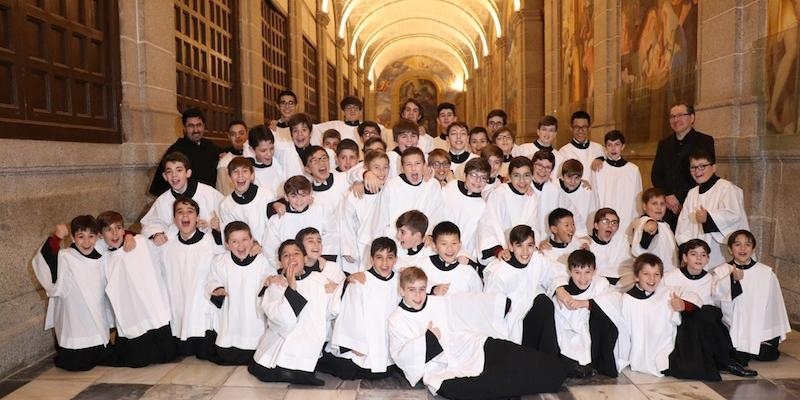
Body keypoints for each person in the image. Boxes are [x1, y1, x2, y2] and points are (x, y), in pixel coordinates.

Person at [389, 267, 570, 399]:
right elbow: (402, 356)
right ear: (401, 290)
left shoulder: (436, 301)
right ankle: (551, 375)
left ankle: (562, 368)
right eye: (412, 290)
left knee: (510, 351)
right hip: (440, 369)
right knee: (484, 386)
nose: (419, 296)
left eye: (422, 289)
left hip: (467, 347)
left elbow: (466, 303)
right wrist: (428, 340)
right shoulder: (397, 319)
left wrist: (498, 304)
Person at [662, 239, 758, 378]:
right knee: (703, 315)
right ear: (684, 257)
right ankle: (725, 362)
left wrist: (733, 280)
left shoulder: (712, 280)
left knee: (709, 313)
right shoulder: (670, 277)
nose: (699, 258)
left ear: (708, 259)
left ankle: (725, 361)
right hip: (679, 324)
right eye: (694, 254)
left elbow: (722, 301)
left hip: (704, 326)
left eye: (703, 255)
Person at [32, 216, 116, 371]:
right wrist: (56, 237)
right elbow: (47, 260)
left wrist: (130, 236)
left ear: (97, 237)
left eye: (91, 236)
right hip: (73, 310)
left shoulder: (100, 251)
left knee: (102, 350)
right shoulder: (66, 256)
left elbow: (117, 239)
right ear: (72, 237)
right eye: (80, 237)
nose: (86, 242)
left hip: (96, 309)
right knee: (77, 363)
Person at [249, 239, 336, 385]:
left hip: (312, 342)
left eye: (296, 254)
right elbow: (284, 319)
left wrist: (345, 284)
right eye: (286, 255)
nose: (292, 258)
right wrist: (292, 287)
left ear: (304, 257)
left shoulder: (319, 279)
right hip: (280, 349)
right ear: (280, 262)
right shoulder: (275, 285)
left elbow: (334, 307)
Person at [98, 210, 177, 367]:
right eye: (109, 230)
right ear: (101, 235)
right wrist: (127, 234)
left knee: (166, 356)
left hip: (151, 310)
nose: (115, 233)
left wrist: (130, 235)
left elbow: (158, 234)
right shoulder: (104, 258)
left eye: (119, 228)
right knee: (137, 361)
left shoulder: (139, 242)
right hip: (130, 315)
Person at [319, 237, 401, 380]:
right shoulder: (360, 281)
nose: (385, 263)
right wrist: (355, 344)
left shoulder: (400, 281)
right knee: (348, 372)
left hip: (389, 345)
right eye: (379, 257)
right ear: (371, 259)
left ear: (396, 259)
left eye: (389, 257)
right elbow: (351, 314)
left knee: (387, 371)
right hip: (363, 347)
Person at [482, 225, 568, 350]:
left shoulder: (536, 259)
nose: (525, 251)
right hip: (511, 323)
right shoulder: (499, 271)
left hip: (529, 314)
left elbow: (554, 273)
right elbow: (492, 307)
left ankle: (550, 359)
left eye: (529, 245)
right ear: (510, 246)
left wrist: (559, 288)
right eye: (519, 245)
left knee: (544, 303)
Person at [159, 197, 225, 359]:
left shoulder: (209, 241)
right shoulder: (167, 246)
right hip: (179, 314)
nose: (185, 216)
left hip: (203, 314)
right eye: (180, 212)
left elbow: (225, 253)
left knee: (206, 354)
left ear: (197, 217)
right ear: (174, 219)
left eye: (190, 212)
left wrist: (217, 230)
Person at [712, 230, 791, 363]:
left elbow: (774, 308)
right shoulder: (721, 271)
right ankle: (740, 350)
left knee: (771, 354)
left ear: (753, 249)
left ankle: (742, 350)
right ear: (730, 249)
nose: (743, 248)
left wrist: (766, 335)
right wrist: (731, 279)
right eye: (737, 244)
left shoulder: (766, 274)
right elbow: (716, 300)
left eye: (747, 245)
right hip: (731, 329)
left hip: (758, 332)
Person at [206, 221, 275, 365]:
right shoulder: (220, 262)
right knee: (227, 353)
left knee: (259, 350)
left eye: (244, 240)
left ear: (252, 240)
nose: (241, 245)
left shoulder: (262, 260)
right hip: (233, 311)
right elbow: (212, 279)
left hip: (254, 312)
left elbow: (270, 277)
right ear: (227, 244)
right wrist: (217, 288)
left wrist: (269, 281)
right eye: (235, 241)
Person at [553, 249, 624, 378]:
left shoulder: (600, 284)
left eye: (587, 272)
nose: (583, 278)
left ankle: (599, 362)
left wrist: (586, 303)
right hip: (569, 332)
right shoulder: (564, 290)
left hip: (593, 331)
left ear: (594, 271)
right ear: (569, 271)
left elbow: (613, 302)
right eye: (577, 273)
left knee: (604, 316)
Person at [675, 149, 749, 267]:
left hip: (720, 254)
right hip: (697, 258)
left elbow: (735, 216)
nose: (697, 171)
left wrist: (708, 218)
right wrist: (687, 249)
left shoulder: (727, 188)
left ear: (714, 167)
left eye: (702, 166)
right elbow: (683, 225)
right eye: (693, 167)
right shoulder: (692, 193)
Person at [651, 102, 715, 230]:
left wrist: (679, 197)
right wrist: (667, 196)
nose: (676, 120)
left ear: (692, 118)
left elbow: (705, 173)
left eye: (680, 115)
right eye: (672, 116)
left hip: (692, 204)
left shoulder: (704, 141)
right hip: (667, 205)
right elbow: (656, 174)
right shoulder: (664, 144)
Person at [140, 152, 223, 241]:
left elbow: (229, 216)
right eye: (169, 171)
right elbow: (150, 224)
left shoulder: (208, 193)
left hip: (208, 246)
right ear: (165, 176)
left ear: (188, 173)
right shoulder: (162, 201)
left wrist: (215, 227)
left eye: (179, 170)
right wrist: (156, 234)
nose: (174, 175)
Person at [262, 175, 338, 269]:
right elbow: (270, 247)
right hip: (291, 269)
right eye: (293, 196)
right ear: (286, 197)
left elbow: (332, 234)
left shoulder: (321, 210)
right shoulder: (278, 219)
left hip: (319, 264)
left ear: (310, 194)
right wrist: (282, 267)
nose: (299, 200)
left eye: (303, 195)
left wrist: (323, 260)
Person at [369, 147, 443, 240]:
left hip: (424, 242)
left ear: (424, 165)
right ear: (402, 168)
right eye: (408, 164)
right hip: (396, 242)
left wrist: (430, 235)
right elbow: (380, 221)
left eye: (417, 163)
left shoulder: (432, 185)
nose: (413, 168)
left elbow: (437, 215)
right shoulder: (391, 186)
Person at [478, 156, 537, 264]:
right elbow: (489, 224)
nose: (522, 181)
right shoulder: (500, 193)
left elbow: (532, 226)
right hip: (502, 252)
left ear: (532, 176)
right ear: (509, 176)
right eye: (516, 176)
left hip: (524, 251)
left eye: (526, 175)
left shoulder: (531, 196)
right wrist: (498, 250)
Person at [149, 108, 221, 196]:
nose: (196, 130)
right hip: (184, 202)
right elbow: (161, 187)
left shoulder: (211, 147)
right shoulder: (175, 150)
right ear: (184, 128)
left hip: (208, 200)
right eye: (191, 126)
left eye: (199, 125)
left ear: (204, 126)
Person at [339, 150, 390, 271]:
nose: (382, 172)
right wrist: (348, 248)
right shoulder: (355, 193)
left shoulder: (390, 190)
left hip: (387, 247)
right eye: (376, 168)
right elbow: (346, 221)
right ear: (366, 169)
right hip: (362, 245)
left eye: (385, 167)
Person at [590, 130, 643, 236]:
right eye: (609, 145)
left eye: (617, 144)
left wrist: (636, 224)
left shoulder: (633, 170)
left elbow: (638, 199)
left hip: (626, 220)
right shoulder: (599, 169)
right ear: (605, 148)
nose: (613, 148)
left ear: (623, 146)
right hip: (604, 220)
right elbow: (594, 197)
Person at [440, 158, 490, 262]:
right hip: (438, 244)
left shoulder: (483, 207)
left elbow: (472, 239)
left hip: (460, 255)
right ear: (465, 174)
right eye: (474, 175)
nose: (478, 181)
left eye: (483, 177)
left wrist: (462, 254)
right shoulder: (452, 186)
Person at [218, 157, 276, 242]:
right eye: (235, 172)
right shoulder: (226, 205)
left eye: (245, 171)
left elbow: (275, 228)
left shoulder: (266, 196)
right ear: (230, 177)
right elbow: (232, 236)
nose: (240, 176)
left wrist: (261, 246)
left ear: (252, 175)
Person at [418, 221, 483, 295]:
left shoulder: (468, 271)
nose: (450, 248)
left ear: (460, 245)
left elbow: (479, 300)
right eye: (444, 244)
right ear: (434, 246)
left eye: (454, 243)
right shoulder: (423, 266)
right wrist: (433, 290)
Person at [631, 188, 680, 274]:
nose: (659, 207)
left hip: (670, 272)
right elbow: (649, 228)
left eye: (662, 204)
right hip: (654, 274)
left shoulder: (665, 225)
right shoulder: (646, 221)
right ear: (644, 206)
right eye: (654, 203)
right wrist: (650, 228)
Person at [312, 96, 385, 147]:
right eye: (348, 108)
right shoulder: (335, 125)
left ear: (360, 112)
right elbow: (314, 128)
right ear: (343, 112)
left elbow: (384, 131)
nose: (352, 110)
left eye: (355, 108)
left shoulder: (367, 127)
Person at [588, 208, 632, 285]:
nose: (610, 225)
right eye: (605, 221)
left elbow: (626, 266)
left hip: (620, 282)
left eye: (614, 223)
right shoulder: (587, 244)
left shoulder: (622, 240)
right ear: (596, 225)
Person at [514, 115, 564, 180]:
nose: (547, 133)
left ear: (555, 134)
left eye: (551, 130)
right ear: (538, 131)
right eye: (544, 129)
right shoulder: (523, 149)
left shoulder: (559, 157)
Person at [558, 111, 604, 180]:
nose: (580, 130)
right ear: (571, 128)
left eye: (584, 127)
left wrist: (601, 159)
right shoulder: (564, 152)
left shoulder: (599, 148)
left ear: (590, 128)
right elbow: (560, 178)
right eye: (577, 127)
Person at [558, 159, 598, 235]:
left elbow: (591, 217)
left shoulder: (586, 191)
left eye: (577, 178)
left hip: (578, 234)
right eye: (569, 177)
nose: (573, 182)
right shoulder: (554, 187)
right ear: (563, 176)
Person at [248, 125, 286, 197]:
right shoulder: (251, 173)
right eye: (263, 150)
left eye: (272, 148)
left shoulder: (278, 162)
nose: (269, 154)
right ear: (252, 150)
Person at [217, 120, 249, 196]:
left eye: (241, 133)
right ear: (229, 136)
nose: (238, 137)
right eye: (233, 134)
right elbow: (224, 193)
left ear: (247, 133)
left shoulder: (256, 157)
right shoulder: (224, 162)